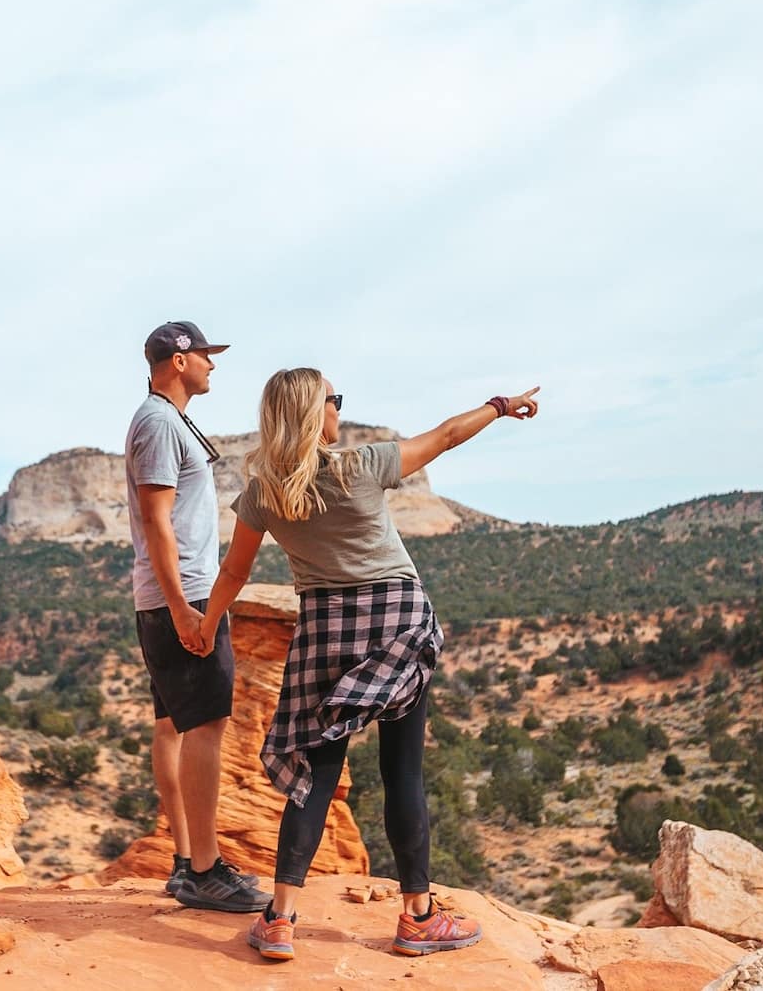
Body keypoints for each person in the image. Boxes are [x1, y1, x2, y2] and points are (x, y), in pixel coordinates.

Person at [198, 368, 539, 961]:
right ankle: (418, 919)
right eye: (336, 400)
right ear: (316, 412)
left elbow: (234, 573)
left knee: (317, 775)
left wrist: (206, 627)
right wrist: (500, 406)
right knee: (403, 770)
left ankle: (279, 920)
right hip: (397, 619)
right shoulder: (361, 465)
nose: (340, 409)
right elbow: (448, 435)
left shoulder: (265, 491)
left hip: (325, 627)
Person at [124, 320, 272, 914]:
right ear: (179, 360)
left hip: (174, 594)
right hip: (179, 595)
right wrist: (186, 607)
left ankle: (191, 860)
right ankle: (204, 872)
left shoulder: (166, 420)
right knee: (207, 724)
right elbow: (156, 521)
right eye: (206, 356)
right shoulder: (159, 422)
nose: (214, 365)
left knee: (177, 725)